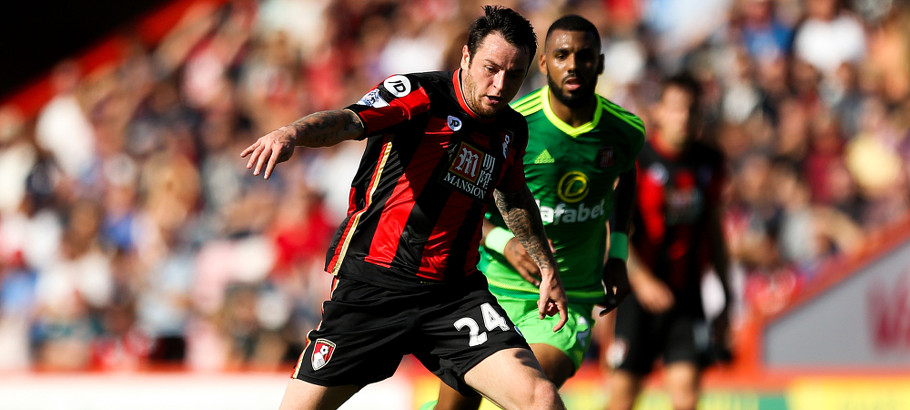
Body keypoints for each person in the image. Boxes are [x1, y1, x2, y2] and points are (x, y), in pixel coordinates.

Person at [241, 6, 569, 410]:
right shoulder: (419, 95)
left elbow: (515, 197)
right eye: (490, 68)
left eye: (514, 74)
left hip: (453, 296)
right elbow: (348, 121)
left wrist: (547, 264)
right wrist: (292, 132)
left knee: (541, 399)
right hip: (374, 287)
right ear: (466, 56)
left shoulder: (511, 130)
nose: (500, 85)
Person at [429, 15, 645, 410]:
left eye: (584, 56)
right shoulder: (514, 125)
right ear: (544, 63)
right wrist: (502, 241)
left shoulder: (626, 130)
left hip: (569, 298)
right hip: (492, 292)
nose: (574, 65)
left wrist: (617, 254)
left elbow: (625, 178)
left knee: (532, 394)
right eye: (562, 55)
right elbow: (457, 199)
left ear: (600, 62)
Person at [606, 73, 732, 410]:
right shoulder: (637, 162)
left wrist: (727, 295)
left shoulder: (709, 162)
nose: (684, 118)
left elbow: (715, 232)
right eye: (676, 109)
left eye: (691, 110)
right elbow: (613, 230)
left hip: (686, 296)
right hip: (636, 298)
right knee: (622, 399)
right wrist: (643, 280)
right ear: (658, 112)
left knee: (687, 396)